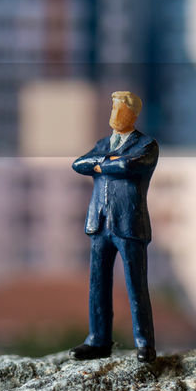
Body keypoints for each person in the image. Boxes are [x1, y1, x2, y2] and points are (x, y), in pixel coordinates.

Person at [69, 90, 159, 362]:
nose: (112, 116)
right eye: (111, 110)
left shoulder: (146, 145)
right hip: (100, 222)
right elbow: (78, 164)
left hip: (129, 224)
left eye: (117, 110)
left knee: (135, 285)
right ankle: (98, 339)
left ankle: (144, 343)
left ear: (131, 114)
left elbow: (131, 165)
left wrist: (102, 164)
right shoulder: (102, 143)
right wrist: (107, 162)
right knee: (97, 284)